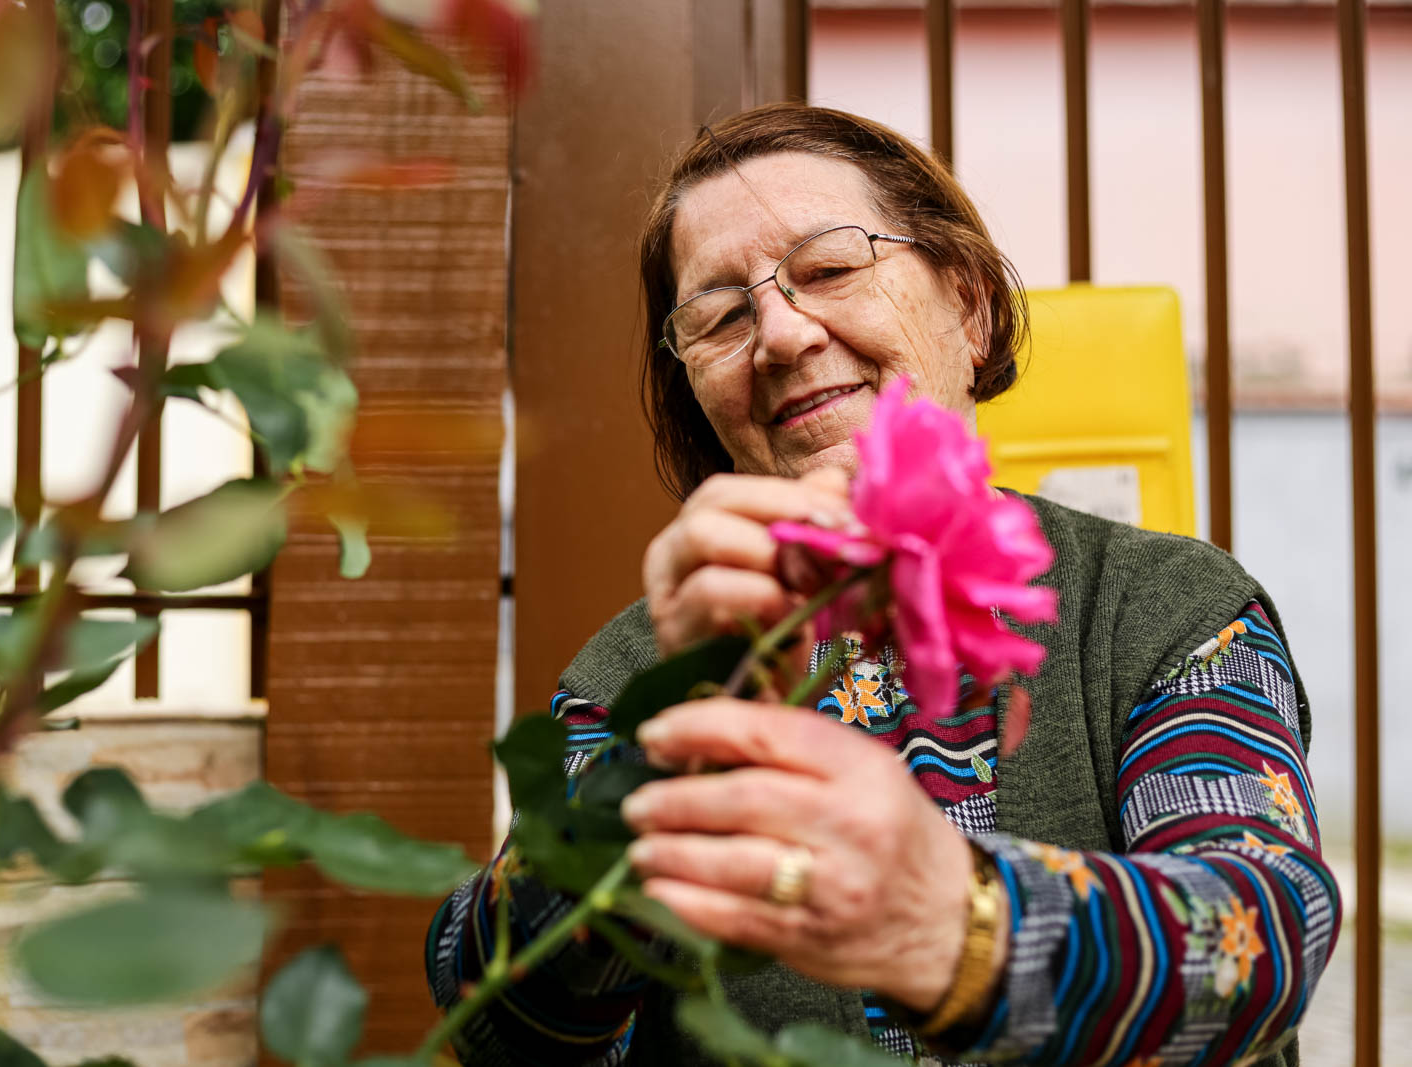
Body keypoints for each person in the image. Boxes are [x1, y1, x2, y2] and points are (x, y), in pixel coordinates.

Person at [426, 103, 1338, 1066]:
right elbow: (495, 1025)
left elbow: (1265, 929)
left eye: (829, 268)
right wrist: (668, 758)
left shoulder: (1165, 607)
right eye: (723, 315)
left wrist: (947, 922)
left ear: (969, 308)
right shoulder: (634, 677)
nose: (781, 334)